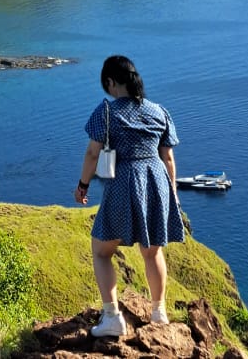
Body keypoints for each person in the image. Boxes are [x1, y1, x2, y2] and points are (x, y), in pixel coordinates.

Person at [74, 54, 185, 338]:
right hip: (156, 181)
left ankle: (111, 316)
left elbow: (92, 153)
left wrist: (83, 185)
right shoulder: (159, 111)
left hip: (123, 183)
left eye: (106, 84)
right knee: (152, 251)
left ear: (111, 83)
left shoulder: (106, 113)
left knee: (101, 250)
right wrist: (171, 194)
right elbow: (168, 157)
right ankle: (159, 312)